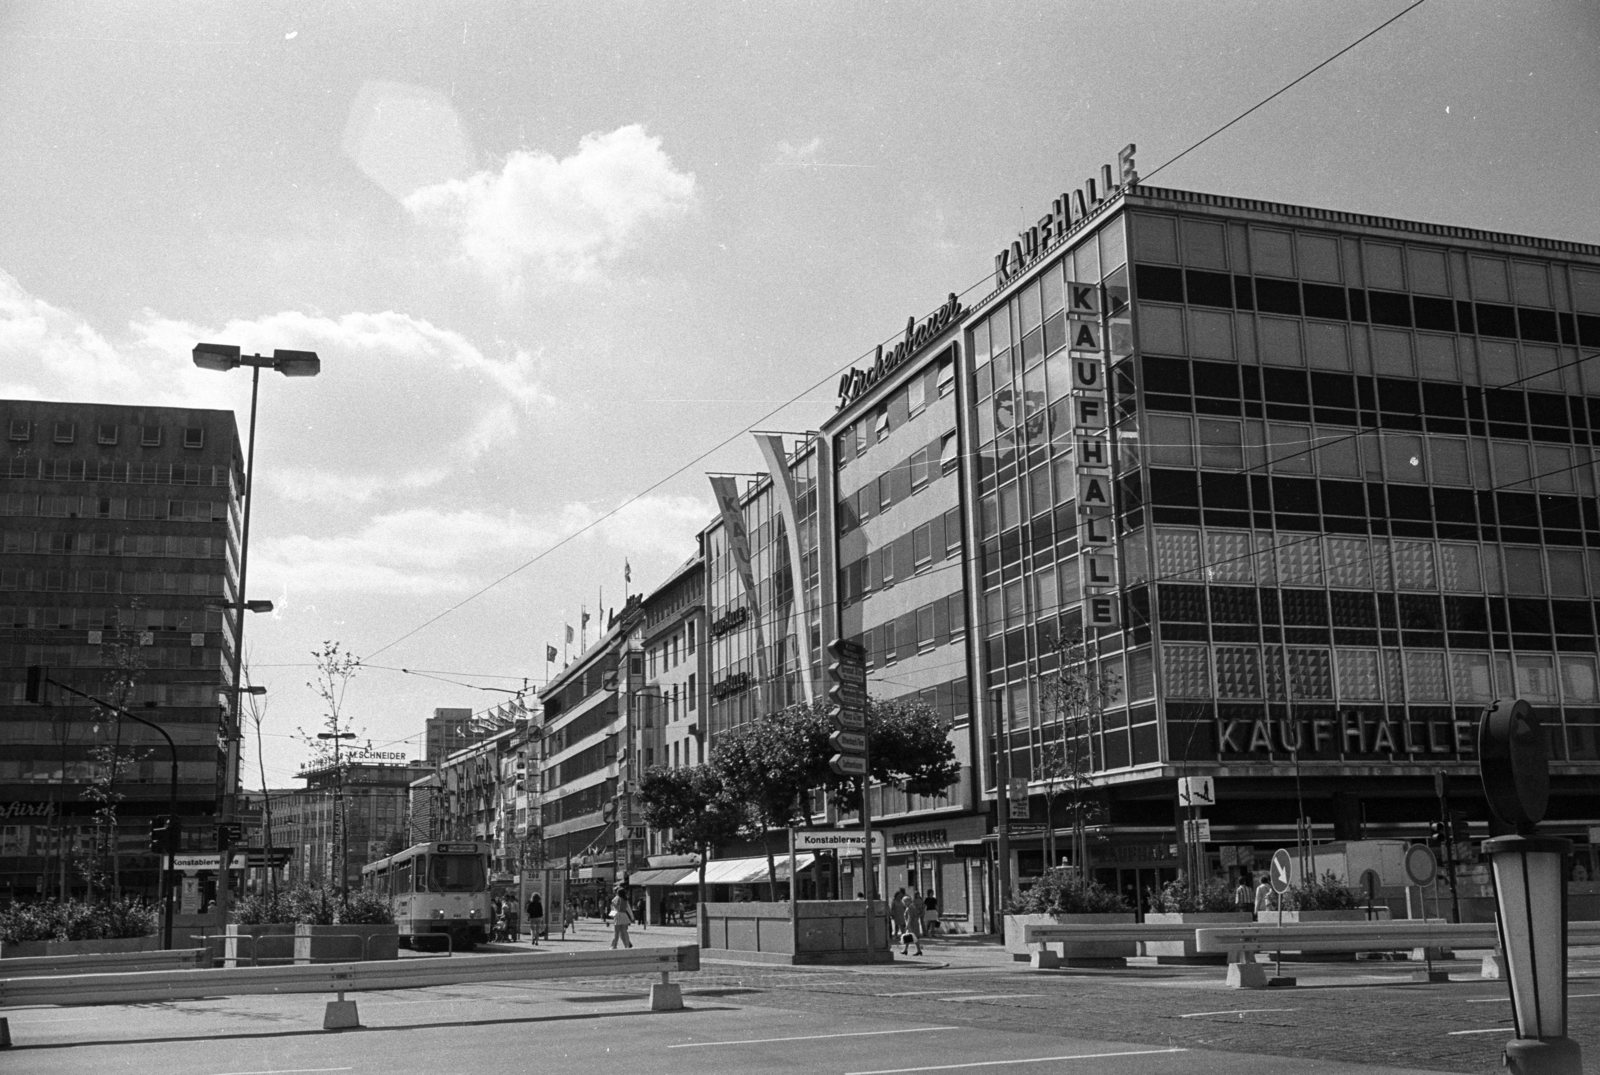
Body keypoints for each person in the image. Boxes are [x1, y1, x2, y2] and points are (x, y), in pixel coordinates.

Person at [906, 890, 926, 956]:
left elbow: (910, 916)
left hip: (912, 924)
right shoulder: (910, 906)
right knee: (908, 937)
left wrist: (908, 924)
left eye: (905, 902)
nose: (904, 903)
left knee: (914, 937)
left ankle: (919, 950)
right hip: (912, 923)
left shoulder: (910, 907)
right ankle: (906, 950)